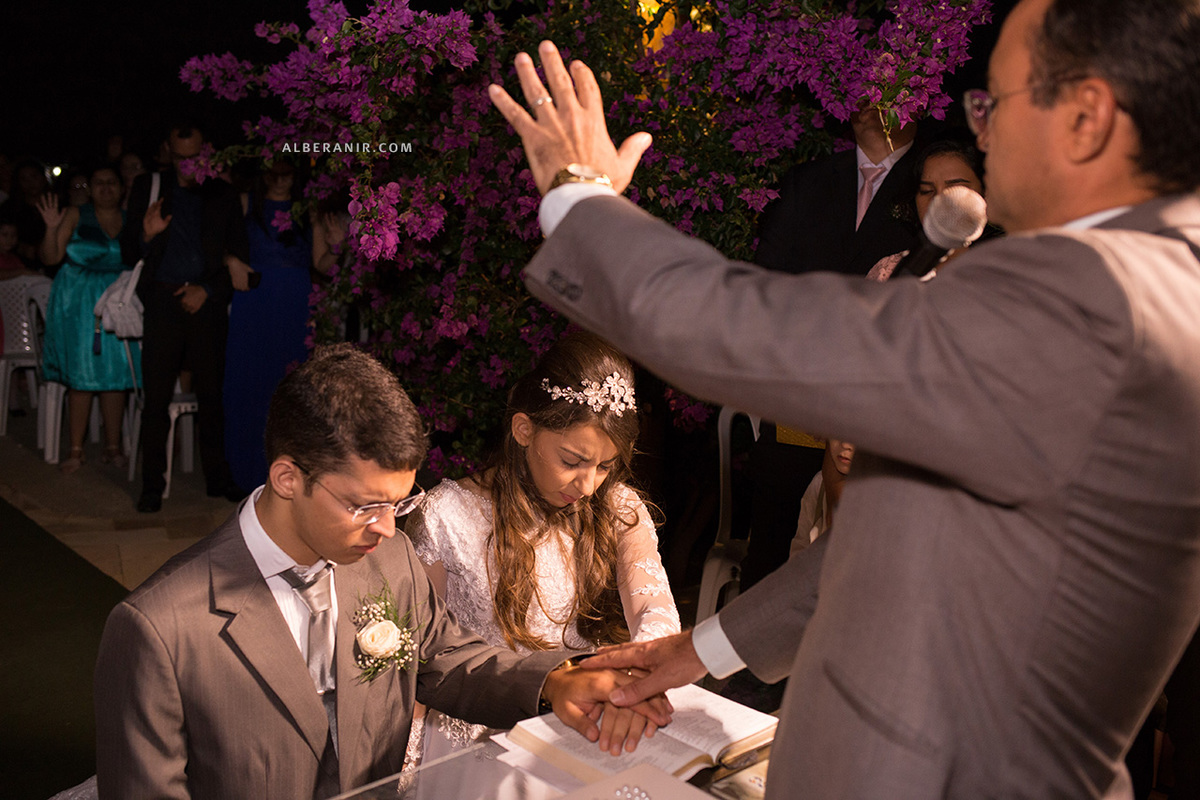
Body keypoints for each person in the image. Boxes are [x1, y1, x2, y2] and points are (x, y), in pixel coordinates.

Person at [487, 0, 1200, 794]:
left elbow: (760, 336)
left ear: (1088, 117)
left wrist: (580, 202)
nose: (983, 132)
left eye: (992, 102)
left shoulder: (1098, 296)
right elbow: (911, 535)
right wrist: (697, 651)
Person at [94, 343, 671, 800]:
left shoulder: (384, 557)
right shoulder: (160, 630)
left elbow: (449, 661)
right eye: (364, 505)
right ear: (288, 478)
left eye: (397, 503)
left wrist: (555, 683)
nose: (390, 530)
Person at [407, 331, 681, 761]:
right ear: (524, 430)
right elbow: (425, 658)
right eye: (572, 461)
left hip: (584, 721)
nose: (588, 485)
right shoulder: (446, 515)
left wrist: (633, 677)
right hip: (480, 735)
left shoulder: (618, 507)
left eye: (605, 466)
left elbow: (655, 612)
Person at [120, 119, 246, 512]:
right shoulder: (150, 187)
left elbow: (239, 257)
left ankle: (217, 478)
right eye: (180, 158)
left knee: (212, 396)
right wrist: (146, 233)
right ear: (168, 152)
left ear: (205, 153)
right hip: (162, 304)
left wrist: (206, 290)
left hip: (205, 305)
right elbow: (127, 254)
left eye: (195, 158)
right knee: (156, 399)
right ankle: (152, 485)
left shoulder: (223, 194)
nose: (188, 166)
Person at [36, 165, 140, 472]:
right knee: (81, 376)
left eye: (111, 182)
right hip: (79, 303)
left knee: (116, 374)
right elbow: (51, 258)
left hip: (118, 301)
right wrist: (52, 228)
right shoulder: (75, 214)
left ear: (122, 188)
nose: (105, 188)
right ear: (89, 187)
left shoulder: (130, 219)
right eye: (99, 182)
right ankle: (76, 449)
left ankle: (113, 446)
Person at [223, 159, 314, 494]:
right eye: (272, 172)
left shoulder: (309, 208)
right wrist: (230, 260)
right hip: (255, 304)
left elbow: (321, 262)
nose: (279, 179)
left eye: (286, 172)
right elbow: (215, 243)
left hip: (296, 303)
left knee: (292, 388)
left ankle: (291, 477)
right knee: (249, 385)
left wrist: (336, 245)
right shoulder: (247, 202)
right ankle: (243, 472)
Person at [866, 136, 989, 281]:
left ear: (986, 193)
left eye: (955, 188)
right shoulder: (888, 270)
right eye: (926, 190)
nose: (938, 199)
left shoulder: (1004, 270)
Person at [789, 438, 853, 556]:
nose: (845, 444)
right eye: (839, 430)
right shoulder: (819, 484)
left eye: (858, 437)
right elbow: (798, 551)